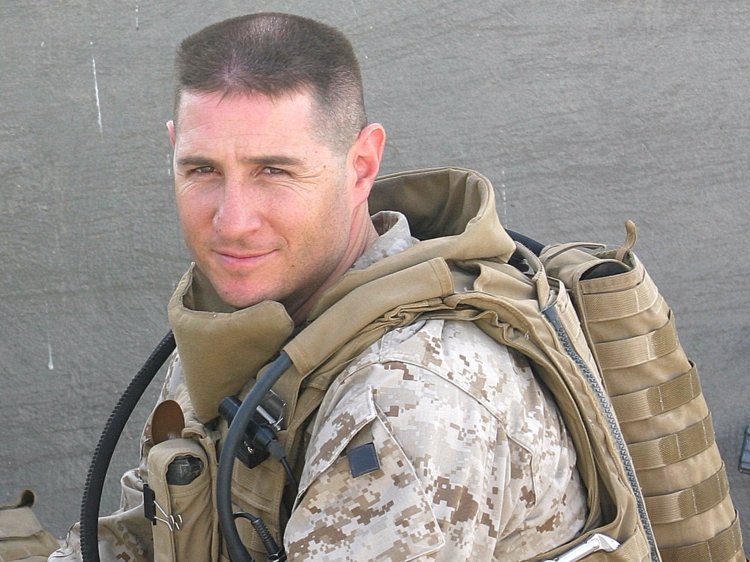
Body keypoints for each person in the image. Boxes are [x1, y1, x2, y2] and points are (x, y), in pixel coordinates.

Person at [51, 12, 587, 561]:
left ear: (361, 166)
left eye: (274, 171)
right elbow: (151, 535)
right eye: (202, 170)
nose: (232, 222)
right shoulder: (244, 318)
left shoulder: (409, 397)